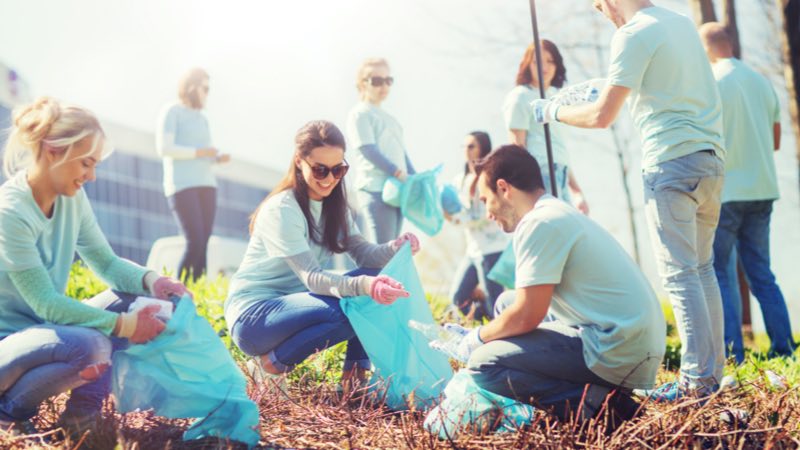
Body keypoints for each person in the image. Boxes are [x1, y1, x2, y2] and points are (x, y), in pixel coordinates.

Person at [532, 0, 726, 401]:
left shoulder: (632, 33)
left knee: (680, 274)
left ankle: (694, 385)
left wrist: (552, 111)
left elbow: (603, 117)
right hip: (709, 161)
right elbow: (658, 80)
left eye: (601, 5)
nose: (603, 14)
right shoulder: (679, 23)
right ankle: (709, 377)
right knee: (702, 270)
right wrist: (603, 82)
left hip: (670, 164)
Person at [0, 97, 189, 436]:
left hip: (44, 331)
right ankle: (9, 412)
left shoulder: (73, 199)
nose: (92, 176)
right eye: (86, 163)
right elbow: (46, 302)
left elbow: (104, 262)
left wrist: (153, 282)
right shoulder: (11, 212)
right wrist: (123, 326)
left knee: (136, 300)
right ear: (53, 150)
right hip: (6, 346)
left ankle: (80, 420)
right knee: (92, 347)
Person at [440, 145, 664, 425]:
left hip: (617, 348)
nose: (487, 213)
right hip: (629, 337)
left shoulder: (539, 223)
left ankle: (603, 407)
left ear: (503, 188)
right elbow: (521, 307)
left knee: (485, 364)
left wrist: (476, 338)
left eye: (486, 200)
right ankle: (589, 391)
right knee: (504, 303)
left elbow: (527, 315)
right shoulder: (554, 212)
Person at [225, 120, 420, 384]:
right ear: (298, 161)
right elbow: (313, 278)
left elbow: (365, 256)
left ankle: (354, 377)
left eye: (338, 169)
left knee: (372, 283)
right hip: (254, 319)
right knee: (357, 305)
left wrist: (395, 248)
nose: (330, 179)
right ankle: (268, 365)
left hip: (297, 308)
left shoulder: (334, 208)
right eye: (320, 170)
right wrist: (367, 286)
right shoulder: (283, 209)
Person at [699, 22, 796, 363]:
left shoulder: (710, 83)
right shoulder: (761, 82)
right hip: (763, 189)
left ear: (706, 48)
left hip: (726, 192)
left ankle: (732, 356)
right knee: (762, 273)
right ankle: (785, 350)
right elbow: (775, 141)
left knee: (720, 273)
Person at [156, 68, 230, 282]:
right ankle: (178, 294)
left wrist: (216, 158)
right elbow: (165, 148)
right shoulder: (172, 112)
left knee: (203, 243)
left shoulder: (202, 119)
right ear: (191, 87)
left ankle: (197, 297)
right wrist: (200, 152)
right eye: (205, 88)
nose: (207, 93)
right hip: (182, 186)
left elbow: (204, 153)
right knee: (194, 241)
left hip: (207, 184)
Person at [502, 40, 589, 214]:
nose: (545, 67)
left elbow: (558, 150)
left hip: (560, 172)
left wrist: (576, 190)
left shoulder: (555, 99)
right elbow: (517, 148)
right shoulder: (521, 96)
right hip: (539, 173)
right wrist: (527, 188)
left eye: (550, 61)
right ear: (527, 64)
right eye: (537, 61)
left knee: (568, 229)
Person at [347, 58, 416, 244]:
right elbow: (367, 149)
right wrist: (397, 171)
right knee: (383, 250)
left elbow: (402, 153)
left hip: (398, 189)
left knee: (393, 250)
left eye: (388, 80)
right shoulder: (360, 113)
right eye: (377, 81)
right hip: (375, 189)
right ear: (363, 83)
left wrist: (414, 177)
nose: (384, 86)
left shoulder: (391, 119)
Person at [446, 131, 508, 320]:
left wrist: (458, 219)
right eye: (464, 146)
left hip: (492, 249)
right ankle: (487, 322)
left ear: (483, 148)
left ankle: (501, 332)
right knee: (458, 298)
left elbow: (487, 213)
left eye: (471, 146)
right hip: (472, 250)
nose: (466, 151)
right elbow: (455, 208)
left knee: (495, 302)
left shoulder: (491, 177)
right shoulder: (459, 180)